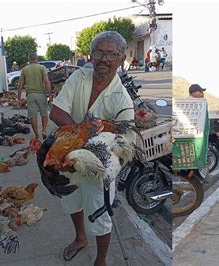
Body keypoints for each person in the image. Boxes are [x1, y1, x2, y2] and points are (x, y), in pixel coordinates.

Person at [50, 31, 135, 264]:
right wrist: (84, 138)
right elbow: (56, 112)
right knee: (70, 199)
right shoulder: (79, 77)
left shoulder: (122, 100)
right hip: (68, 156)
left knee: (101, 213)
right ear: (91, 55)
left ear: (121, 59)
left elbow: (125, 143)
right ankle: (80, 238)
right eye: (99, 52)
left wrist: (83, 144)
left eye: (111, 54)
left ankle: (101, 260)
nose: (104, 59)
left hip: (98, 166)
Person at [17, 53, 52, 141]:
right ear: (37, 59)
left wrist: (19, 97)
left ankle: (37, 135)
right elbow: (46, 82)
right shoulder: (42, 68)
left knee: (33, 116)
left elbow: (20, 84)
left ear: (29, 60)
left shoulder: (24, 69)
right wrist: (50, 94)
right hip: (41, 94)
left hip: (30, 95)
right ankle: (44, 131)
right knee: (44, 114)